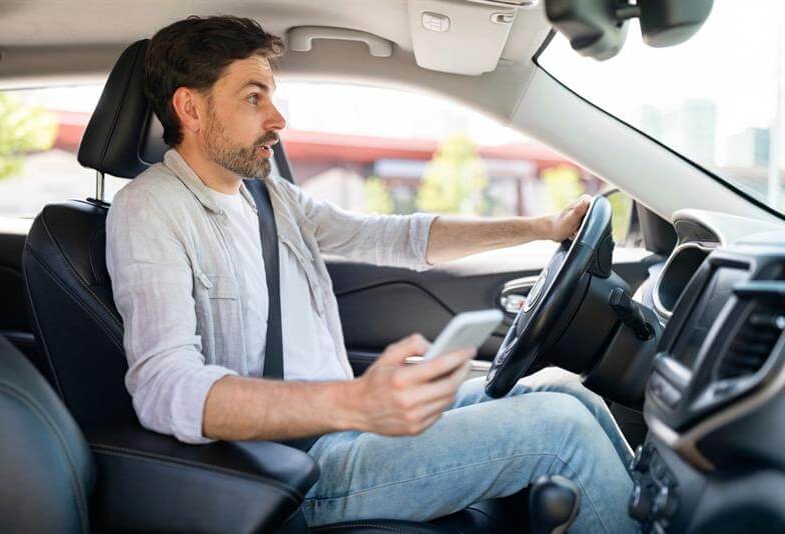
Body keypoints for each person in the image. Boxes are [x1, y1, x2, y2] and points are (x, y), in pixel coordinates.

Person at [106, 15, 637, 533]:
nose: (278, 118)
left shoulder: (269, 197)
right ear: (190, 108)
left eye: (271, 96)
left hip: (343, 428)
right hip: (294, 469)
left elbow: (394, 236)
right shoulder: (150, 210)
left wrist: (542, 226)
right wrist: (354, 402)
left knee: (565, 389)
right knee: (558, 430)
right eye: (253, 97)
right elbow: (162, 388)